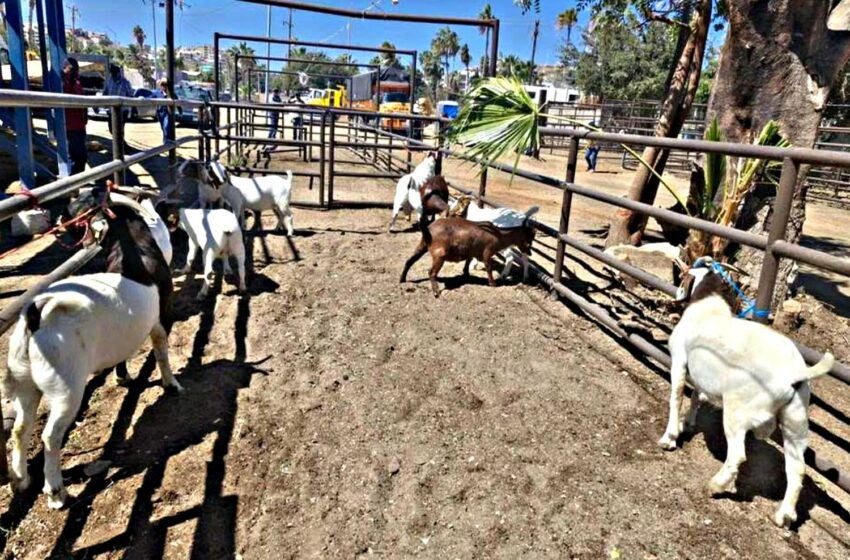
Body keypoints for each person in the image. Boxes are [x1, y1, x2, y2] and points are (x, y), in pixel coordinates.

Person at [62, 57, 88, 175]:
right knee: (75, 158)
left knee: (81, 158)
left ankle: (76, 184)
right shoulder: (62, 83)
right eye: (72, 68)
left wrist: (85, 114)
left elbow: (83, 101)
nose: (75, 71)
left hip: (79, 126)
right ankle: (72, 186)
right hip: (70, 127)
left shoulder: (77, 83)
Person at [103, 64, 133, 133]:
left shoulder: (125, 83)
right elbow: (105, 92)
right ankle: (122, 143)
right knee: (111, 129)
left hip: (122, 111)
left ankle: (121, 143)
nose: (113, 75)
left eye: (114, 73)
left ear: (118, 73)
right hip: (111, 110)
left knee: (119, 129)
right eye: (112, 73)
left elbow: (130, 95)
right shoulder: (109, 81)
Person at [152, 78, 174, 145]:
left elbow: (177, 100)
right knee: (163, 127)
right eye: (162, 85)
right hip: (159, 112)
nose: (163, 86)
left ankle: (166, 140)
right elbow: (150, 97)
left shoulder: (170, 94)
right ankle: (165, 139)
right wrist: (143, 99)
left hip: (167, 112)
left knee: (166, 126)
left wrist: (180, 110)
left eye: (165, 85)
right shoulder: (157, 93)